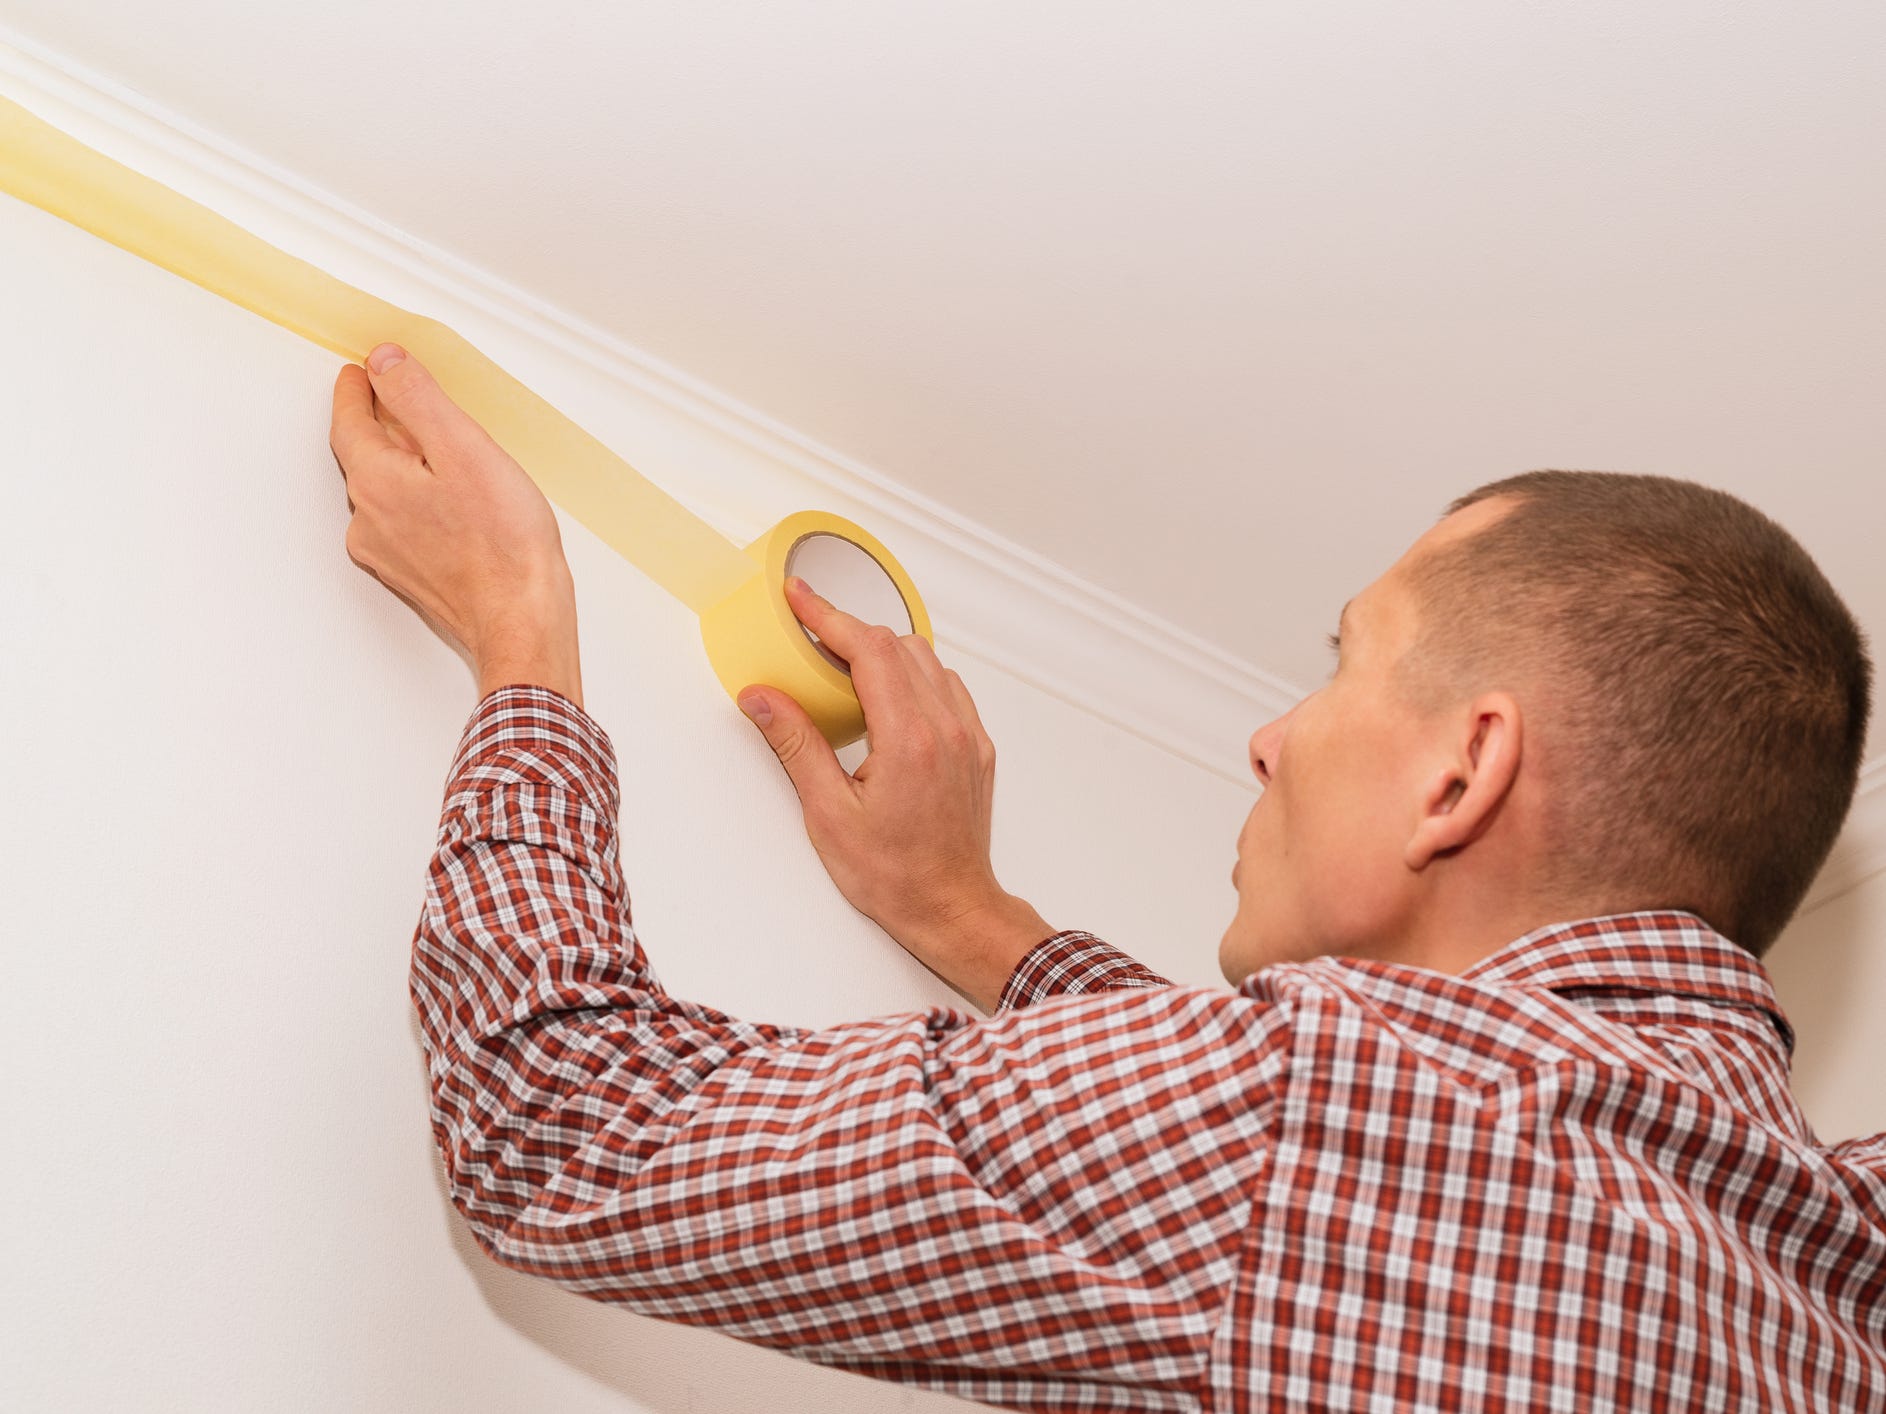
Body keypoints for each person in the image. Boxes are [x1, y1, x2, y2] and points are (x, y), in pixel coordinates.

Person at [330, 340, 1884, 1412]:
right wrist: (967, 915)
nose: (1273, 736)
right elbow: (1353, 1216)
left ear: (1462, 771)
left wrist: (520, 636)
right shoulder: (1838, 1255)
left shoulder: (1310, 1112)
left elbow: (565, 1133)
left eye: (1342, 665)